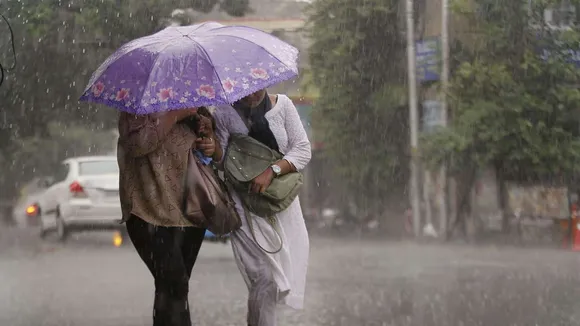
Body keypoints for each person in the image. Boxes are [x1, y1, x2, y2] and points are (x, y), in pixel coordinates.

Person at [212, 90, 312, 326]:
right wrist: (212, 148)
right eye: (247, 90)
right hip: (245, 208)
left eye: (258, 86)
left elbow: (302, 149)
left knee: (279, 278)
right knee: (265, 277)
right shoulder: (225, 112)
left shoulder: (284, 106)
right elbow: (221, 159)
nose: (253, 94)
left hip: (281, 202)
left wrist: (272, 171)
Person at [117, 108, 217, 326]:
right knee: (175, 282)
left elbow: (209, 149)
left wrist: (210, 139)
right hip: (147, 211)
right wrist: (174, 115)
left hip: (189, 210)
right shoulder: (136, 105)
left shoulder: (194, 100)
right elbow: (138, 145)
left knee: (173, 288)